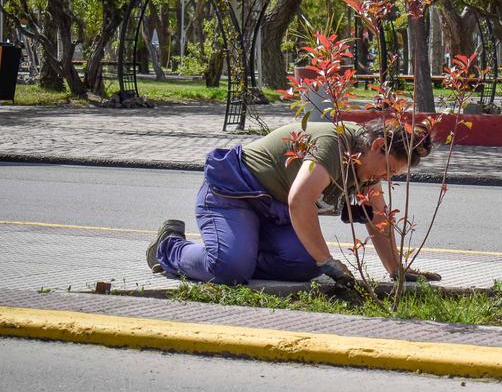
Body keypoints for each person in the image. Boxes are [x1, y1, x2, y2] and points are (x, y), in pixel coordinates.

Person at [147, 118, 441, 286]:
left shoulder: (366, 164)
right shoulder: (334, 144)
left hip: (273, 211)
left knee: (304, 265)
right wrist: (328, 261)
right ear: (377, 146)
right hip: (234, 195)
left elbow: (378, 217)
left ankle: (241, 250)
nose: (384, 178)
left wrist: (397, 272)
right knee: (230, 270)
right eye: (387, 169)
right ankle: (169, 247)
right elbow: (300, 201)